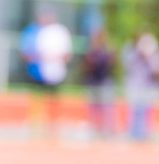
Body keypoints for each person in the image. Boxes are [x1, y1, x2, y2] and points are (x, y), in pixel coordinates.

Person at [21, 9, 72, 137]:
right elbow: (26, 53)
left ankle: (53, 128)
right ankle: (37, 128)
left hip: (55, 73)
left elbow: (67, 54)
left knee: (54, 100)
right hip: (37, 72)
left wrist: (56, 58)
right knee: (37, 99)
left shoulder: (59, 32)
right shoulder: (34, 31)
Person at [121, 32, 159, 141]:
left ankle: (147, 133)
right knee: (135, 110)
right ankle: (134, 133)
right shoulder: (133, 53)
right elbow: (127, 65)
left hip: (150, 87)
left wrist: (150, 58)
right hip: (136, 86)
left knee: (149, 111)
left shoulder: (156, 54)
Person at [81, 29, 116, 138]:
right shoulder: (92, 51)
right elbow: (87, 65)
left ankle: (107, 131)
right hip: (94, 81)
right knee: (94, 108)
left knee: (107, 108)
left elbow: (113, 62)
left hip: (105, 81)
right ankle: (95, 130)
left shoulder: (107, 50)